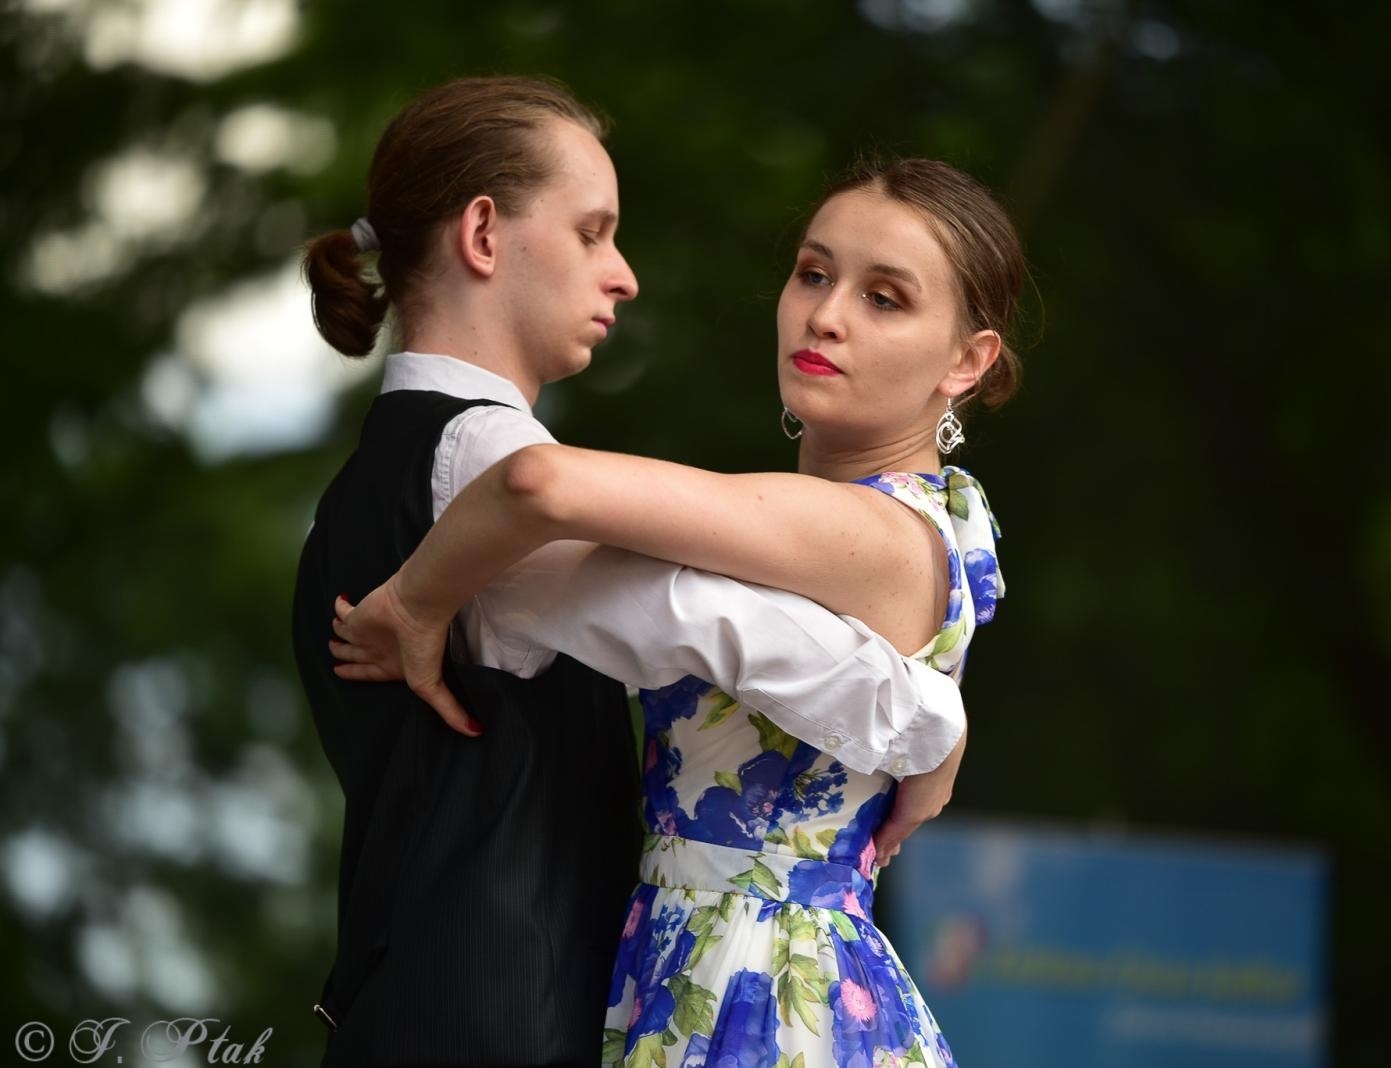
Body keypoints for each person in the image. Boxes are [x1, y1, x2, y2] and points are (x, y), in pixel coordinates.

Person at [292, 77, 970, 1068]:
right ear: (483, 235)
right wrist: (933, 723)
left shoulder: (367, 479)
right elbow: (715, 624)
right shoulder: (476, 465)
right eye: (593, 231)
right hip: (498, 1027)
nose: (624, 276)